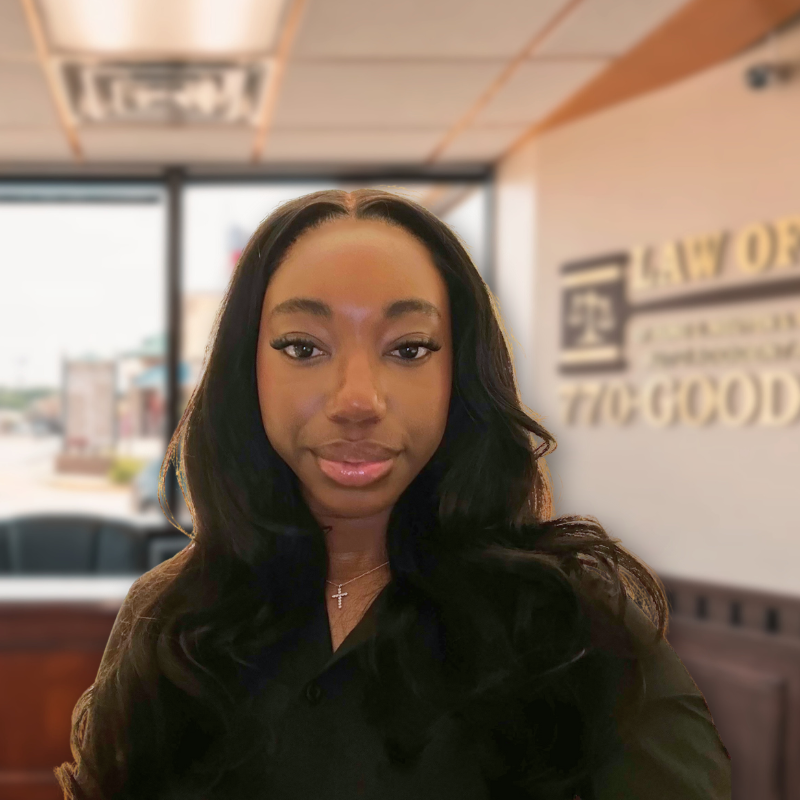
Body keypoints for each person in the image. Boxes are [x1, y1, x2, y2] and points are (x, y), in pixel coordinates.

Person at [54, 188, 731, 800]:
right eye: (302, 347)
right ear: (246, 371)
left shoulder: (570, 622)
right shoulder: (171, 619)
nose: (358, 400)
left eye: (409, 350)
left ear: (459, 374)